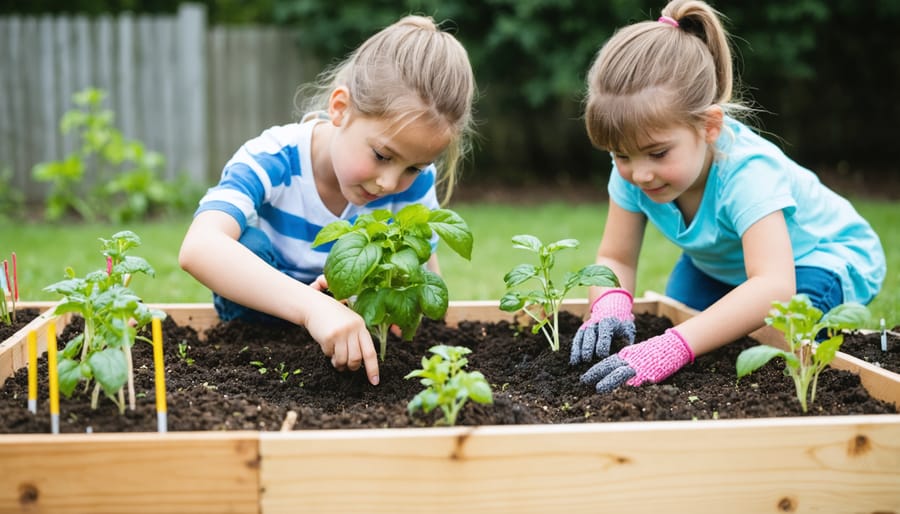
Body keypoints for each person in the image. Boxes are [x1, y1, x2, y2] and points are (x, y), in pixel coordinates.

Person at [570, 0, 886, 393]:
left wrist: (674, 347)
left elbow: (774, 285)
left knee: (767, 342)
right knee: (684, 318)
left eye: (657, 153)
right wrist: (609, 303)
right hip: (726, 266)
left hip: (821, 258)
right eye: (620, 154)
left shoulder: (748, 172)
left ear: (709, 127)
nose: (640, 173)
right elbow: (615, 258)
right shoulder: (634, 172)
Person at [179, 15, 476, 387]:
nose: (389, 182)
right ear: (340, 108)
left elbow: (422, 266)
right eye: (382, 155)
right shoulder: (273, 158)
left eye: (414, 167)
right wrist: (312, 307)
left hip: (355, 334)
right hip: (262, 333)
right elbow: (198, 247)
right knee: (246, 243)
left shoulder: (414, 184)